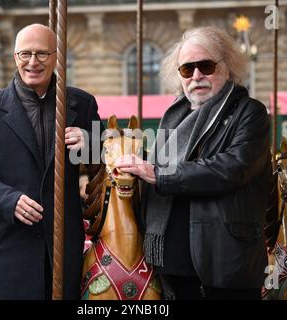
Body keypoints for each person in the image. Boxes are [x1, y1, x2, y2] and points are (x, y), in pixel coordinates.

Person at [116, 26, 272, 300]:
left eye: (206, 66)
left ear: (227, 67)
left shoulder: (249, 112)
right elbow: (153, 169)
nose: (196, 75)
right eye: (187, 69)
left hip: (223, 263)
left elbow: (232, 168)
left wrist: (159, 175)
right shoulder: (174, 117)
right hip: (172, 262)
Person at [0, 24, 103, 299]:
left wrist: (91, 142)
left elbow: (107, 158)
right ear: (15, 57)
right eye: (25, 54)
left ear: (56, 57)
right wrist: (8, 200)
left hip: (63, 251)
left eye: (41, 54)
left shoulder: (82, 104)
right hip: (8, 251)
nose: (33, 62)